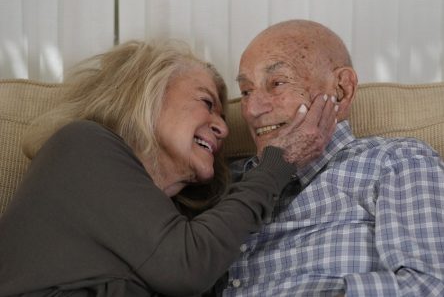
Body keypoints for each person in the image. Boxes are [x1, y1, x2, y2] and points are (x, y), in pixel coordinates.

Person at [0, 40, 337, 296]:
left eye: (222, 116)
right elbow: (186, 265)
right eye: (206, 103)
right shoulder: (80, 145)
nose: (222, 127)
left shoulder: (175, 222)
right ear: (146, 95)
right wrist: (279, 162)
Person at [217, 20, 444, 296]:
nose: (251, 109)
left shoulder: (397, 162)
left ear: (342, 89)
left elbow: (430, 286)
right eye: (246, 91)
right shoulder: (225, 181)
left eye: (277, 83)